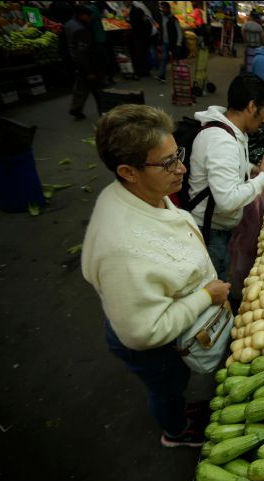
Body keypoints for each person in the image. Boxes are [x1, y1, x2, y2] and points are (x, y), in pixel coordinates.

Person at [81, 104, 231, 448]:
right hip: (148, 341)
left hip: (148, 310)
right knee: (167, 386)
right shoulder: (121, 248)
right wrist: (206, 297)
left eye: (177, 153)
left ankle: (178, 411)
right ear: (128, 171)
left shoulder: (147, 193)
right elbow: (142, 333)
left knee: (173, 384)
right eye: (167, 162)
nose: (181, 167)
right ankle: (175, 431)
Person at [188, 73, 264, 292]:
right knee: (214, 289)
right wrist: (263, 178)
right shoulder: (222, 141)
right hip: (210, 232)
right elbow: (227, 201)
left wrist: (249, 168)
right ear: (251, 106)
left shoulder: (228, 131)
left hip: (217, 228)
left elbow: (223, 166)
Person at [65, 4, 101, 119]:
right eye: (88, 16)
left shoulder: (70, 23)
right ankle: (104, 110)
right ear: (82, 15)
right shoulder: (81, 30)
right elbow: (83, 52)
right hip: (86, 62)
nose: (90, 19)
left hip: (76, 60)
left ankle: (76, 108)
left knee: (81, 85)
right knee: (97, 88)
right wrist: (89, 70)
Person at [155, 1, 184, 83]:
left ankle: (181, 75)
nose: (162, 9)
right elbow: (162, 30)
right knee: (164, 59)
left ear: (168, 9)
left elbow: (179, 32)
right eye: (161, 8)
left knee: (176, 59)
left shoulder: (174, 19)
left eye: (163, 8)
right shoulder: (161, 19)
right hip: (165, 42)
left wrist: (178, 43)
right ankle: (162, 75)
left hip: (174, 43)